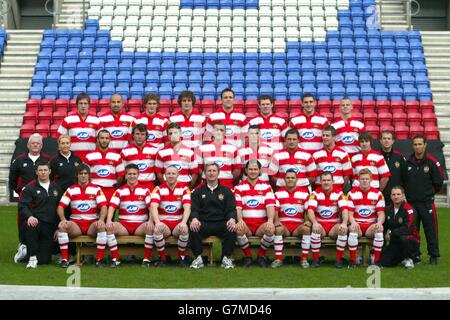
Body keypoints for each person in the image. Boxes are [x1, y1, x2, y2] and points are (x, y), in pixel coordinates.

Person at [56, 164, 108, 267]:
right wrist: (62, 219)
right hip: (76, 224)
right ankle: (65, 260)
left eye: (85, 173)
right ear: (77, 175)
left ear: (89, 175)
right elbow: (60, 207)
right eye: (81, 173)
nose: (83, 176)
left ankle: (99, 259)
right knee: (62, 226)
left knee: (101, 226)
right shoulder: (71, 189)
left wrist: (101, 219)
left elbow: (104, 207)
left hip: (91, 224)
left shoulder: (96, 189)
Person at [11, 133, 51, 263]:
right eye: (33, 143)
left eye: (38, 143)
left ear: (41, 146)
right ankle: (23, 245)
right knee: (24, 221)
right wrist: (20, 190)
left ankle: (39, 247)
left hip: (42, 200)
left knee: (42, 222)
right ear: (28, 145)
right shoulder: (19, 160)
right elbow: (12, 179)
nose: (35, 145)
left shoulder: (47, 160)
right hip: (26, 199)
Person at [404, 135, 444, 265]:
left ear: (425, 145)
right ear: (412, 146)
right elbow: (404, 181)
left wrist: (428, 194)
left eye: (420, 144)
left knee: (431, 230)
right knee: (413, 231)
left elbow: (438, 182)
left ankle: (433, 255)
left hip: (427, 203)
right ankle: (415, 256)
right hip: (411, 203)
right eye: (415, 144)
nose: (417, 147)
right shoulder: (408, 162)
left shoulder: (432, 161)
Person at [189, 163, 237, 269]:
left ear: (218, 173)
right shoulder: (197, 191)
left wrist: (232, 219)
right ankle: (198, 258)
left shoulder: (226, 191)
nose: (211, 173)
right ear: (205, 174)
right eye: (209, 171)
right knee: (193, 227)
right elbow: (194, 209)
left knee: (232, 228)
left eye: (214, 171)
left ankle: (226, 258)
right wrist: (195, 219)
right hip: (204, 223)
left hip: (221, 223)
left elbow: (231, 209)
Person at [106, 164, 154, 268]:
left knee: (150, 228)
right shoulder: (119, 191)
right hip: (124, 226)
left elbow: (152, 208)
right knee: (109, 227)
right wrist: (109, 220)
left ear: (138, 175)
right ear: (126, 176)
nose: (132, 176)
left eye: (134, 174)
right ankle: (116, 259)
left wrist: (151, 221)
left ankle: (146, 259)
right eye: (129, 174)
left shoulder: (145, 190)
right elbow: (112, 207)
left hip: (140, 226)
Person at [18, 160, 62, 268]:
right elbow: (23, 205)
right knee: (31, 224)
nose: (43, 172)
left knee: (44, 260)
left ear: (50, 171)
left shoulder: (56, 188)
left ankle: (25, 250)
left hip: (50, 225)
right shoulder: (30, 188)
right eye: (40, 170)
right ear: (36, 172)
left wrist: (58, 227)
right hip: (36, 222)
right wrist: (29, 216)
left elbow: (61, 208)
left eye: (45, 170)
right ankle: (31, 258)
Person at [235, 160, 276, 268]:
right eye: (250, 169)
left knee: (270, 229)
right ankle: (247, 256)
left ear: (259, 171)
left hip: (260, 225)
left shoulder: (266, 187)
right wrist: (239, 220)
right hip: (246, 224)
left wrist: (270, 221)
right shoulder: (239, 187)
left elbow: (270, 205)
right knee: (238, 229)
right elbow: (238, 207)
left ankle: (261, 256)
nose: (253, 171)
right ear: (246, 171)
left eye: (255, 169)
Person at [305, 172, 349, 268]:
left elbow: (344, 209)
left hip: (334, 225)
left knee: (342, 229)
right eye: (324, 180)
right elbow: (310, 210)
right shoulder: (315, 193)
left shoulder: (339, 193)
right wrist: (315, 223)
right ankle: (315, 259)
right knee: (315, 230)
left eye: (328, 180)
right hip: (321, 225)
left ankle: (338, 260)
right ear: (320, 182)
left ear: (333, 181)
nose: (326, 182)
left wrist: (345, 223)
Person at [150, 166, 192, 267]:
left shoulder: (184, 189)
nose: (171, 176)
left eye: (173, 173)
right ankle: (163, 258)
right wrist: (158, 222)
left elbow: (187, 207)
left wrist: (183, 222)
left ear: (178, 175)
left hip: (178, 223)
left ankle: (180, 258)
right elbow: (153, 206)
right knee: (157, 229)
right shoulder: (158, 189)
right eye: (168, 173)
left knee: (184, 229)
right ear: (165, 175)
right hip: (164, 223)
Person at [347, 169, 386, 268]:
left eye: (367, 179)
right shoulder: (352, 193)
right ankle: (352, 261)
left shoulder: (378, 194)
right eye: (362, 179)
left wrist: (380, 223)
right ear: (358, 180)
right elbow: (349, 214)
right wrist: (353, 222)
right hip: (357, 225)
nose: (364, 181)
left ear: (371, 180)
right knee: (352, 229)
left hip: (370, 226)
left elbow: (381, 213)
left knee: (379, 229)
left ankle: (376, 261)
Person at [273, 169, 311, 268]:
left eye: (293, 178)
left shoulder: (304, 193)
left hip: (297, 226)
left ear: (297, 179)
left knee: (306, 229)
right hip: (284, 225)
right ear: (284, 179)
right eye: (288, 178)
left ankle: (304, 259)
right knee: (278, 229)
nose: (290, 180)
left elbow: (310, 210)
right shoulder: (278, 193)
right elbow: (275, 210)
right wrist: (276, 221)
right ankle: (278, 259)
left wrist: (309, 221)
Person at [380, 186, 420, 269]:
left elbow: (408, 228)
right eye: (393, 194)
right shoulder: (388, 209)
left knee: (404, 238)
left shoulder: (409, 209)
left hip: (411, 240)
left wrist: (391, 233)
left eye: (398, 194)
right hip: (395, 240)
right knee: (385, 262)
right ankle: (401, 257)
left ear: (403, 196)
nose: (396, 197)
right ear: (390, 196)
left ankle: (410, 258)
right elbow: (385, 226)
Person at [57, 92, 100, 162]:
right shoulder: (68, 120)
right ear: (77, 105)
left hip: (91, 159)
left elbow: (100, 141)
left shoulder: (96, 120)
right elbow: (59, 139)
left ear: (89, 105)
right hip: (72, 160)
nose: (83, 106)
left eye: (85, 103)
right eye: (81, 103)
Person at [197, 121, 241, 188]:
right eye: (216, 130)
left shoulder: (233, 149)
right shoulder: (202, 148)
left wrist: (227, 180)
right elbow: (199, 170)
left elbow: (237, 171)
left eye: (221, 130)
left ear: (225, 132)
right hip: (206, 186)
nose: (219, 132)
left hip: (226, 186)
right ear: (212, 132)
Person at [155, 122, 199, 189]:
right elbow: (159, 172)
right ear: (167, 136)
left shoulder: (189, 152)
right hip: (167, 188)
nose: (173, 135)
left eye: (176, 133)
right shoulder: (161, 152)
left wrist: (189, 188)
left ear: (180, 134)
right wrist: (166, 185)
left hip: (185, 187)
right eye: (170, 133)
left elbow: (195, 173)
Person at [84, 130, 125, 201]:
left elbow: (121, 175)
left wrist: (114, 186)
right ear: (97, 139)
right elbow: (84, 174)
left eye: (106, 138)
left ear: (110, 140)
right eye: (102, 138)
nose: (104, 140)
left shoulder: (116, 156)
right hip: (94, 190)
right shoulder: (89, 156)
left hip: (110, 190)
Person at [312, 125, 352, 190]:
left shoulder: (343, 154)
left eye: (327, 136)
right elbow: (313, 176)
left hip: (337, 191)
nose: (324, 137)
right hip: (320, 193)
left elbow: (347, 176)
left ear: (334, 137)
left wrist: (338, 189)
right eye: (323, 135)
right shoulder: (316, 155)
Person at [120, 124, 159, 191]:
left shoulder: (154, 150)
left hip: (149, 185)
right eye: (137, 134)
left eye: (142, 134)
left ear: (146, 136)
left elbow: (159, 171)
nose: (140, 136)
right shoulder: (125, 151)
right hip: (132, 185)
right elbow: (121, 172)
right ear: (133, 135)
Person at [379, 130, 406, 206]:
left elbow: (405, 177)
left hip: (396, 196)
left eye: (389, 138)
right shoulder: (376, 156)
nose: (386, 141)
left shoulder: (399, 157)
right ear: (380, 141)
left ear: (393, 141)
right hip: (380, 195)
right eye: (384, 138)